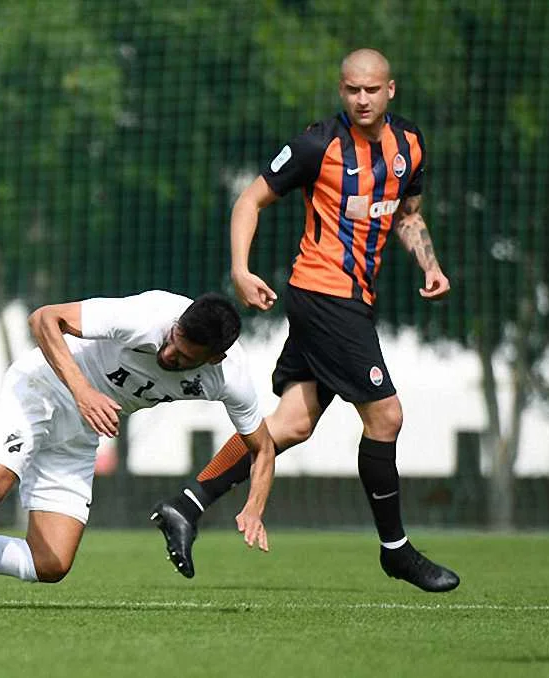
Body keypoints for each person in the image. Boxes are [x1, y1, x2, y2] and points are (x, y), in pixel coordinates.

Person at [151, 49, 459, 592]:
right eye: (351, 90)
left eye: (371, 90)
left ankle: (187, 505)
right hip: (324, 295)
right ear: (341, 90)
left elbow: (407, 215)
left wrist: (429, 264)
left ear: (391, 90)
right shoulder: (318, 144)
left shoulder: (410, 144)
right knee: (386, 417)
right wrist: (241, 270)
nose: (361, 99)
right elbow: (249, 201)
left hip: (353, 299)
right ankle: (396, 550)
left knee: (290, 424)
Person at [0, 290, 277, 603]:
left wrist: (254, 506)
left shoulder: (229, 378)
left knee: (49, 564)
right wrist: (83, 391)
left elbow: (262, 446)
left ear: (214, 358)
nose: (168, 355)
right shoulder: (146, 316)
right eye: (172, 341)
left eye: (183, 357)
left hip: (82, 429)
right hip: (43, 387)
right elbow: (44, 319)